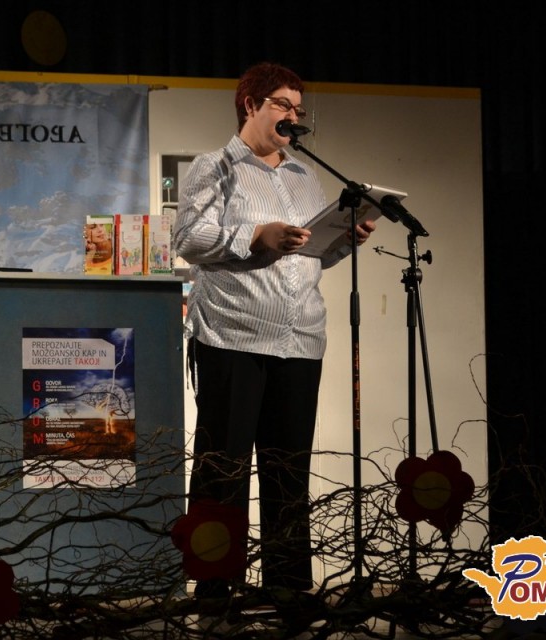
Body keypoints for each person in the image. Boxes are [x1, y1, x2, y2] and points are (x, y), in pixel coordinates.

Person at [172, 62, 376, 598]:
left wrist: (343, 241)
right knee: (224, 471)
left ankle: (289, 590)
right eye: (284, 104)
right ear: (251, 104)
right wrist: (255, 234)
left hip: (300, 339)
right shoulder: (215, 166)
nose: (294, 115)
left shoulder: (305, 177)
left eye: (298, 109)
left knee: (289, 474)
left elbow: (313, 256)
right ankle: (215, 592)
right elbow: (188, 239)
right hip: (233, 337)